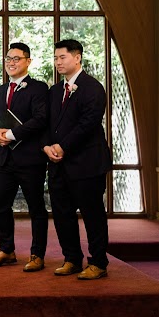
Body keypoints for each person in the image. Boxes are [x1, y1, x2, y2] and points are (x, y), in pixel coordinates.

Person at [42, 39, 111, 280]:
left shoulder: (93, 88)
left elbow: (88, 124)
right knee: (62, 213)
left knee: (93, 214)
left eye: (62, 57)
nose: (58, 62)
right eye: (55, 58)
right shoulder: (54, 91)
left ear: (77, 57)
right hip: (58, 163)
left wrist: (63, 146)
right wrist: (47, 147)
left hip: (87, 163)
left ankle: (98, 262)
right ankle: (71, 258)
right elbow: (47, 124)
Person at [0, 42, 49, 272]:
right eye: (8, 59)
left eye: (16, 59)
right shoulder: (1, 90)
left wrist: (11, 134)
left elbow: (41, 119)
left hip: (31, 159)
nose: (11, 62)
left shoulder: (38, 88)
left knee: (36, 208)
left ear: (28, 61)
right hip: (5, 160)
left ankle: (37, 254)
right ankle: (7, 250)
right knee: (1, 205)